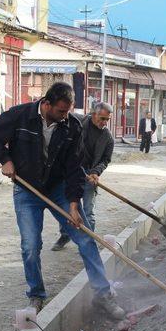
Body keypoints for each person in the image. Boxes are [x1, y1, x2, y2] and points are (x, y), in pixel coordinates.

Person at [0, 82, 125, 319]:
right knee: (30, 245)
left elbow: (74, 167)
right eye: (60, 111)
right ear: (46, 104)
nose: (64, 116)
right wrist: (4, 158)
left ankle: (103, 295)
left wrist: (75, 204)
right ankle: (36, 295)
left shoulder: (72, 126)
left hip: (58, 188)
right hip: (27, 191)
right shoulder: (21, 116)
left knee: (86, 237)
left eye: (67, 111)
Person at [51, 102, 115, 251]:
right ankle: (65, 235)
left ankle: (88, 242)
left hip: (89, 176)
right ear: (94, 114)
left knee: (87, 210)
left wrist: (95, 172)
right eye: (102, 118)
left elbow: (106, 160)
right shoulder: (77, 122)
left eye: (107, 120)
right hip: (71, 172)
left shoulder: (108, 138)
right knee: (67, 207)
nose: (104, 122)